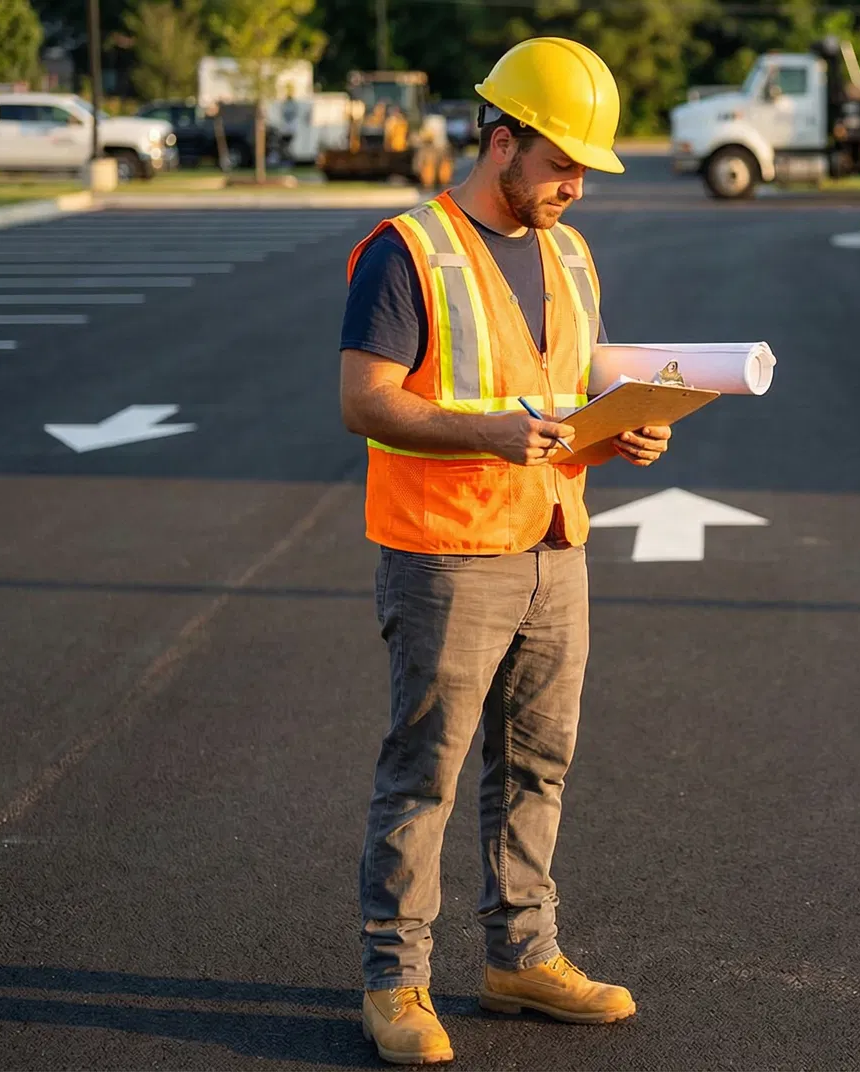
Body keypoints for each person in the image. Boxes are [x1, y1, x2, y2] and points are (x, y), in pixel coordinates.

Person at [337, 37, 669, 1067]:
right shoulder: (410, 249)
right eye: (560, 162)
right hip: (446, 552)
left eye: (584, 169)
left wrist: (627, 432)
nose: (574, 185)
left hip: (555, 540)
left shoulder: (570, 251)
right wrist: (479, 431)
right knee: (424, 772)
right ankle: (395, 980)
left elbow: (566, 399)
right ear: (500, 139)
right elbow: (363, 400)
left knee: (539, 765)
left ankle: (521, 953)